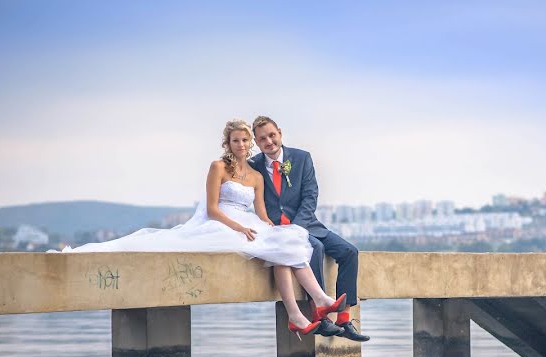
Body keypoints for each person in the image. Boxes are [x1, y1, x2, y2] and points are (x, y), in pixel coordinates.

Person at [57, 119, 347, 338]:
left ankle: (310, 307)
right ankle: (311, 306)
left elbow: (260, 213)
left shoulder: (256, 175)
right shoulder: (218, 167)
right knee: (277, 251)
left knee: (284, 245)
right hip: (221, 222)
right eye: (236, 141)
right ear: (228, 143)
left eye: (246, 141)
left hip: (247, 223)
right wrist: (237, 227)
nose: (242, 145)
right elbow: (212, 208)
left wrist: (273, 229)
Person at [249, 116, 369, 342]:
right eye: (262, 138)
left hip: (307, 224)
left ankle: (344, 318)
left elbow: (310, 196)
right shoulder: (253, 165)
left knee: (349, 252)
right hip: (275, 229)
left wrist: (298, 228)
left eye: (272, 135)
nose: (269, 142)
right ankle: (320, 315)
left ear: (280, 133)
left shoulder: (302, 158)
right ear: (256, 141)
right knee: (314, 248)